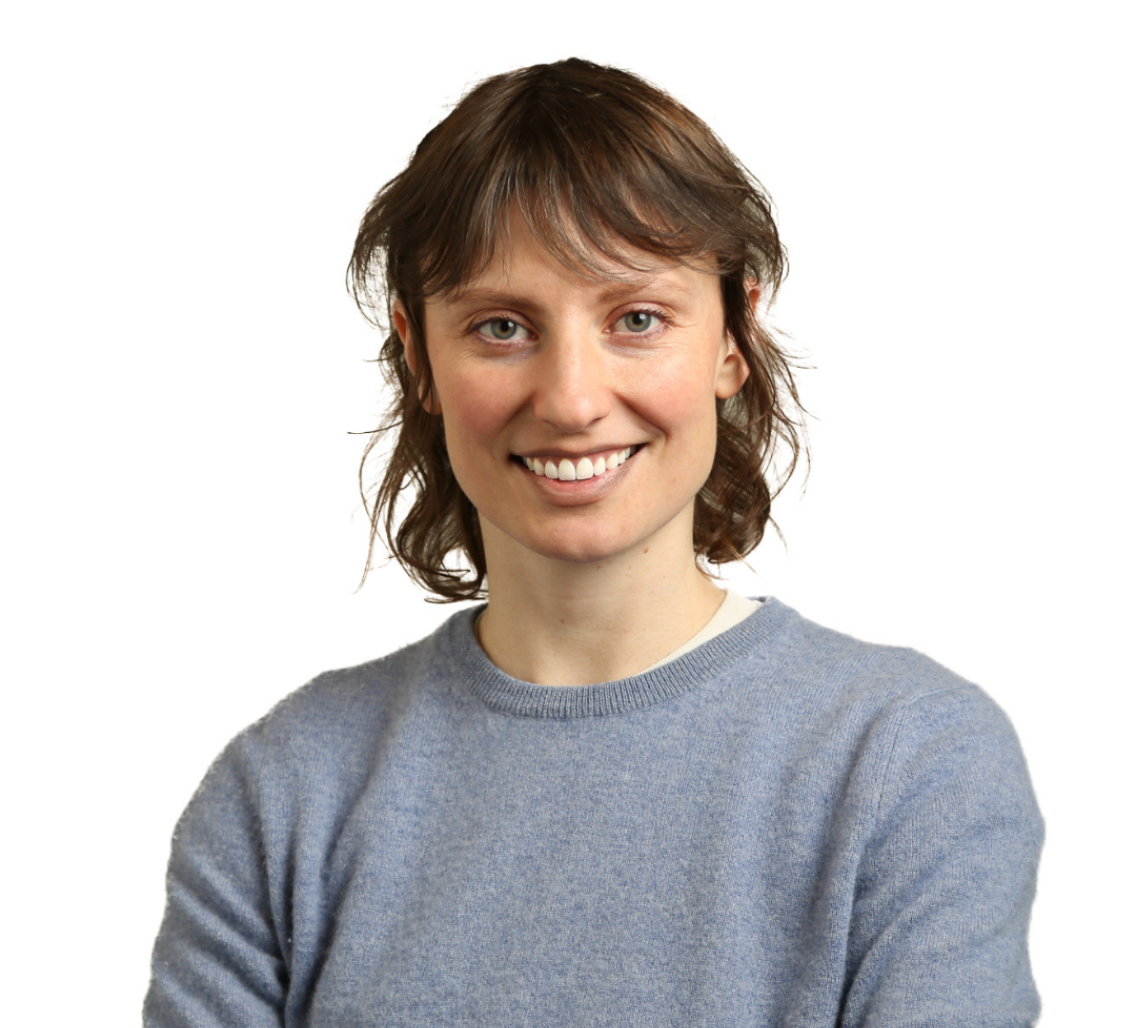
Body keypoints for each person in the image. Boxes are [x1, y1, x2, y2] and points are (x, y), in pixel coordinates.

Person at [143, 58, 1043, 1026]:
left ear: (731, 339)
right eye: (499, 326)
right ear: (418, 356)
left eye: (637, 318)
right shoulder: (280, 794)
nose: (571, 399)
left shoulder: (907, 761)